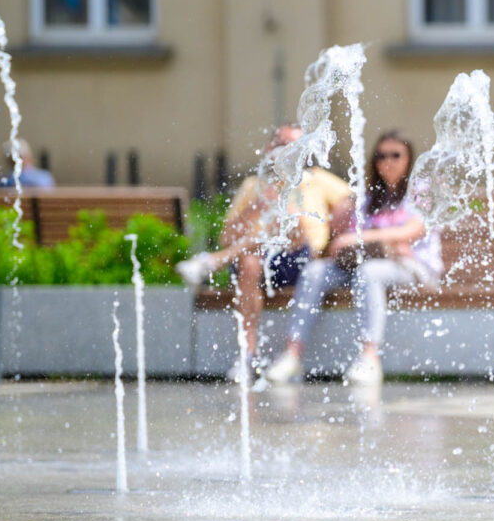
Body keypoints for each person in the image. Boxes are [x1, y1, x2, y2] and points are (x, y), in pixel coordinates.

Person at [263, 130, 442, 388]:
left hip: (412, 266)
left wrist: (364, 238)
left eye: (395, 155)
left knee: (369, 274)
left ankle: (370, 357)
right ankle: (292, 353)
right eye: (381, 156)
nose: (387, 161)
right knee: (315, 272)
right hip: (368, 263)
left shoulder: (422, 192)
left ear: (409, 159)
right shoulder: (369, 198)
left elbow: (413, 231)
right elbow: (349, 239)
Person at [177, 125, 353, 381]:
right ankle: (248, 356)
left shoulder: (317, 179)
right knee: (249, 260)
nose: (285, 150)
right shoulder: (253, 185)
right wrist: (259, 204)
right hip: (260, 262)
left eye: (292, 144)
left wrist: (337, 221)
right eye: (280, 143)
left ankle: (210, 263)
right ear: (269, 148)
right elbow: (226, 237)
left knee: (288, 218)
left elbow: (355, 200)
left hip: (301, 259)